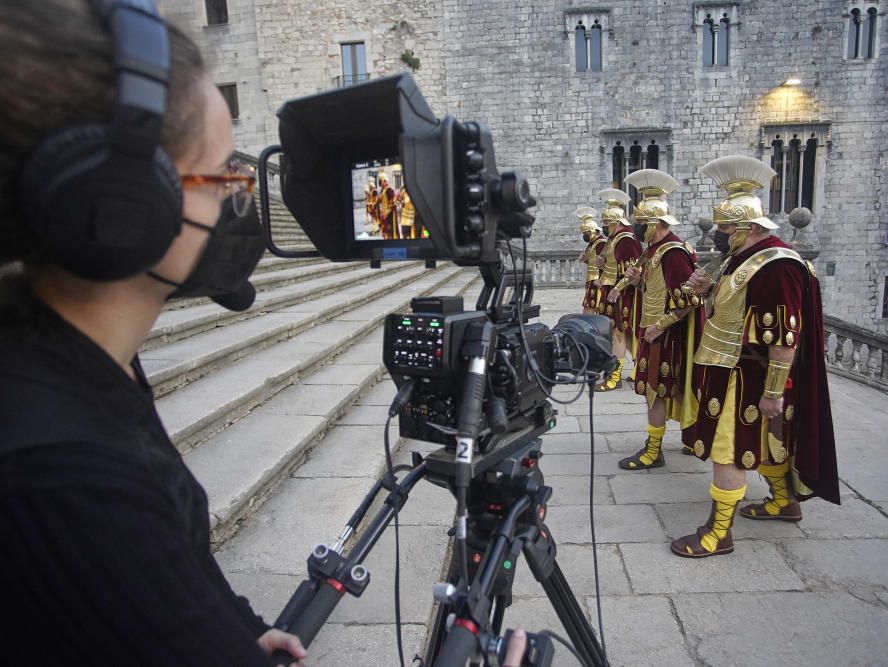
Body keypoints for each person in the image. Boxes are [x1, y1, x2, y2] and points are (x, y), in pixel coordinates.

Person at [0, 3, 531, 665]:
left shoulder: (71, 361)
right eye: (220, 173)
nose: (240, 198)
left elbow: (162, 568)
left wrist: (227, 629)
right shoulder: (64, 476)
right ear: (122, 207)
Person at [671, 155, 840, 559]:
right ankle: (784, 501)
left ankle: (718, 533)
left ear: (745, 227)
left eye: (727, 228)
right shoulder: (742, 258)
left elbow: (785, 336)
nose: (721, 234)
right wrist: (707, 288)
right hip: (735, 366)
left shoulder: (777, 266)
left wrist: (773, 393)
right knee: (768, 441)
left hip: (748, 375)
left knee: (728, 449)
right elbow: (735, 309)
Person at [614, 170, 704, 470]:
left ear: (655, 224)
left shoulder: (672, 253)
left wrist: (657, 327)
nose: (637, 230)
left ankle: (653, 451)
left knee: (655, 391)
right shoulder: (654, 251)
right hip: (653, 330)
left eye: (641, 225)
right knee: (656, 390)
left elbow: (689, 300)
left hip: (663, 335)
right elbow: (656, 291)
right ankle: (680, 440)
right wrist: (638, 282)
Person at [596, 188, 642, 391]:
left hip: (621, 294)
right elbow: (613, 265)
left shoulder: (626, 239)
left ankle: (614, 377)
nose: (605, 227)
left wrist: (617, 289)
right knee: (624, 333)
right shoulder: (615, 238)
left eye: (607, 224)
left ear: (615, 222)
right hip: (612, 290)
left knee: (618, 333)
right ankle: (639, 370)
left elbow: (631, 271)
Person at [575, 206, 605, 315]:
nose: (584, 236)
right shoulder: (592, 244)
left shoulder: (601, 243)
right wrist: (585, 259)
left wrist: (601, 279)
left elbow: (605, 263)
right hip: (591, 279)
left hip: (596, 279)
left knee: (592, 306)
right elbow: (593, 261)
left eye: (586, 234)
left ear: (592, 231)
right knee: (589, 305)